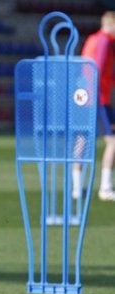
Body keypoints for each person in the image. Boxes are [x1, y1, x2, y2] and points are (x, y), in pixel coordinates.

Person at [74, 11, 115, 201]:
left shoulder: (92, 39)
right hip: (97, 98)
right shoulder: (105, 42)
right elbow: (96, 69)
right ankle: (105, 187)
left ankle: (76, 187)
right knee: (113, 141)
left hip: (84, 95)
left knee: (82, 138)